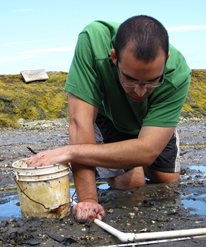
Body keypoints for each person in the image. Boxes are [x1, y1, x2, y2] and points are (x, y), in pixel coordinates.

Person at [27, 15, 191, 222]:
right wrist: (88, 199)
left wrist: (69, 151)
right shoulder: (92, 40)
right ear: (114, 57)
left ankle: (127, 154)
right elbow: (80, 123)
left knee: (166, 182)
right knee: (133, 182)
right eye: (130, 79)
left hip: (150, 122)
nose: (140, 92)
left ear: (166, 60)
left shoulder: (179, 72)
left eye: (151, 81)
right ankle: (119, 159)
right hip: (109, 116)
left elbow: (148, 150)